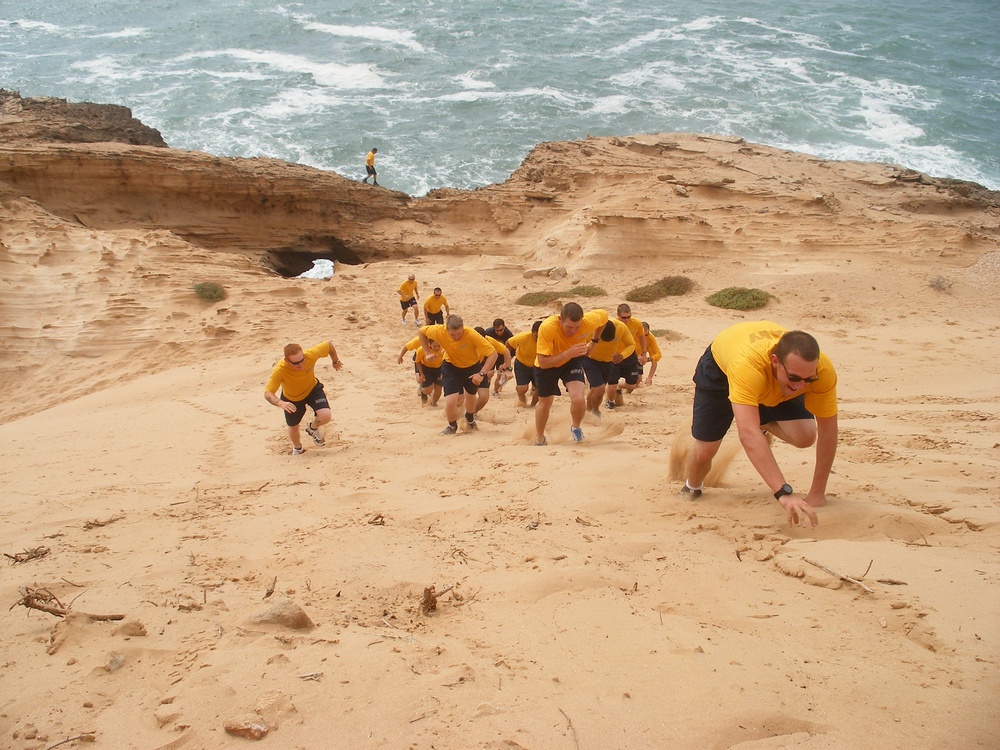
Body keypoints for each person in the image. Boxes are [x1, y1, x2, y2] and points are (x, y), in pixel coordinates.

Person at [681, 321, 838, 528]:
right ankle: (691, 487)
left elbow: (828, 429)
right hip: (722, 370)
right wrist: (783, 493)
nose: (801, 386)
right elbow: (747, 435)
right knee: (705, 451)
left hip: (767, 382)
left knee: (806, 436)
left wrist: (817, 493)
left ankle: (756, 418)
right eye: (794, 377)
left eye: (809, 379)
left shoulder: (821, 372)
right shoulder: (747, 365)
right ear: (775, 361)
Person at [533, 303, 609, 445]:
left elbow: (604, 317)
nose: (573, 331)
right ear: (560, 320)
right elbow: (543, 362)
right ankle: (539, 438)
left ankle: (576, 428)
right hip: (549, 364)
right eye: (569, 327)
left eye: (577, 327)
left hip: (572, 361)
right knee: (545, 403)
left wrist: (594, 341)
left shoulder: (589, 321)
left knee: (578, 399)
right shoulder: (547, 327)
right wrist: (568, 353)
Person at [419, 315, 498, 435]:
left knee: (470, 397)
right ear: (446, 330)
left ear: (463, 328)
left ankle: (470, 418)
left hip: (472, 367)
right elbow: (421, 332)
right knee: (451, 401)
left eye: (459, 334)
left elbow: (493, 353)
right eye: (452, 335)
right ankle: (452, 426)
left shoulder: (471, 334)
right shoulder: (439, 331)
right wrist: (427, 352)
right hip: (451, 366)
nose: (456, 337)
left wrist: (481, 373)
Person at [264, 341, 343, 454]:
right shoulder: (280, 370)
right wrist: (281, 403)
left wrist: (335, 360)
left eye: (302, 360)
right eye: (295, 363)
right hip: (292, 398)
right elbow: (268, 393)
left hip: (312, 389)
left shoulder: (310, 354)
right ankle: (298, 448)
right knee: (293, 427)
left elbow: (329, 345)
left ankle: (313, 428)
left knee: (326, 416)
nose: (300, 365)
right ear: (287, 361)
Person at [583, 319, 635, 418]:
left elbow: (631, 344)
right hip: (590, 360)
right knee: (599, 389)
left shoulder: (621, 327)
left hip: (608, 362)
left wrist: (622, 355)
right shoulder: (589, 328)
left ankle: (588, 413)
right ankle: (596, 412)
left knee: (595, 390)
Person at [608, 303, 648, 408]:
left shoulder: (637, 323)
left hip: (630, 355)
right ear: (617, 314)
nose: (626, 320)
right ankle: (610, 402)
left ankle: (618, 387)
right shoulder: (612, 324)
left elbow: (642, 337)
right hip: (615, 357)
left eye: (628, 317)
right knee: (612, 384)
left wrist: (644, 354)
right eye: (623, 317)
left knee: (633, 384)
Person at [398, 337, 444, 405]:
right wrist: (400, 356)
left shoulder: (443, 347)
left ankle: (434, 403)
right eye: (435, 346)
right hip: (424, 364)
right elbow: (407, 347)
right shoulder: (420, 344)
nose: (437, 348)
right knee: (423, 383)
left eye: (438, 346)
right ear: (429, 344)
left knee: (438, 389)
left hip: (438, 367)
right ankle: (423, 388)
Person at [506, 320, 541, 407]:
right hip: (522, 364)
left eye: (540, 336)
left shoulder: (548, 339)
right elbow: (508, 343)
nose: (538, 339)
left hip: (539, 366)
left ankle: (532, 405)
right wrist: (508, 358)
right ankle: (522, 401)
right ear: (532, 332)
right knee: (522, 389)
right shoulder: (523, 337)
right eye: (536, 336)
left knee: (539, 390)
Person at [482, 318, 515, 395]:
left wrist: (505, 363)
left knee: (500, 375)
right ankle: (486, 389)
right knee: (489, 373)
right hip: (490, 354)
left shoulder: (509, 335)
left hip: (502, 356)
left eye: (501, 330)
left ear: (504, 326)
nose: (499, 332)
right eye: (497, 330)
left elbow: (512, 351)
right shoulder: (488, 333)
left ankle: (495, 390)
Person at [642, 321, 662, 386]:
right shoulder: (634, 335)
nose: (644, 337)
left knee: (654, 359)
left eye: (646, 335)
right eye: (642, 335)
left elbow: (658, 354)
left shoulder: (651, 337)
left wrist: (649, 359)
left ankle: (649, 378)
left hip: (648, 346)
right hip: (638, 348)